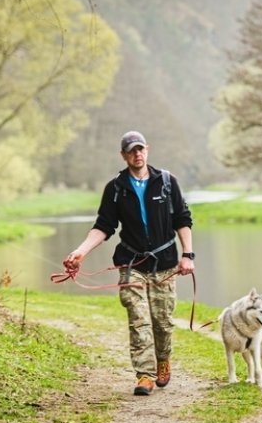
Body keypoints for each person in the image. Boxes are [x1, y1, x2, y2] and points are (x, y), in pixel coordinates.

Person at [63, 131, 195, 396]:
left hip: (166, 263)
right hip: (131, 263)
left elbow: (182, 219)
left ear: (147, 150)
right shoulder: (115, 188)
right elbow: (104, 226)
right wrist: (80, 252)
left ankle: (162, 360)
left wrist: (187, 255)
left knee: (162, 321)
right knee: (139, 320)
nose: (137, 154)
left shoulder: (167, 182)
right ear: (123, 155)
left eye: (140, 149)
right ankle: (144, 374)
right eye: (131, 151)